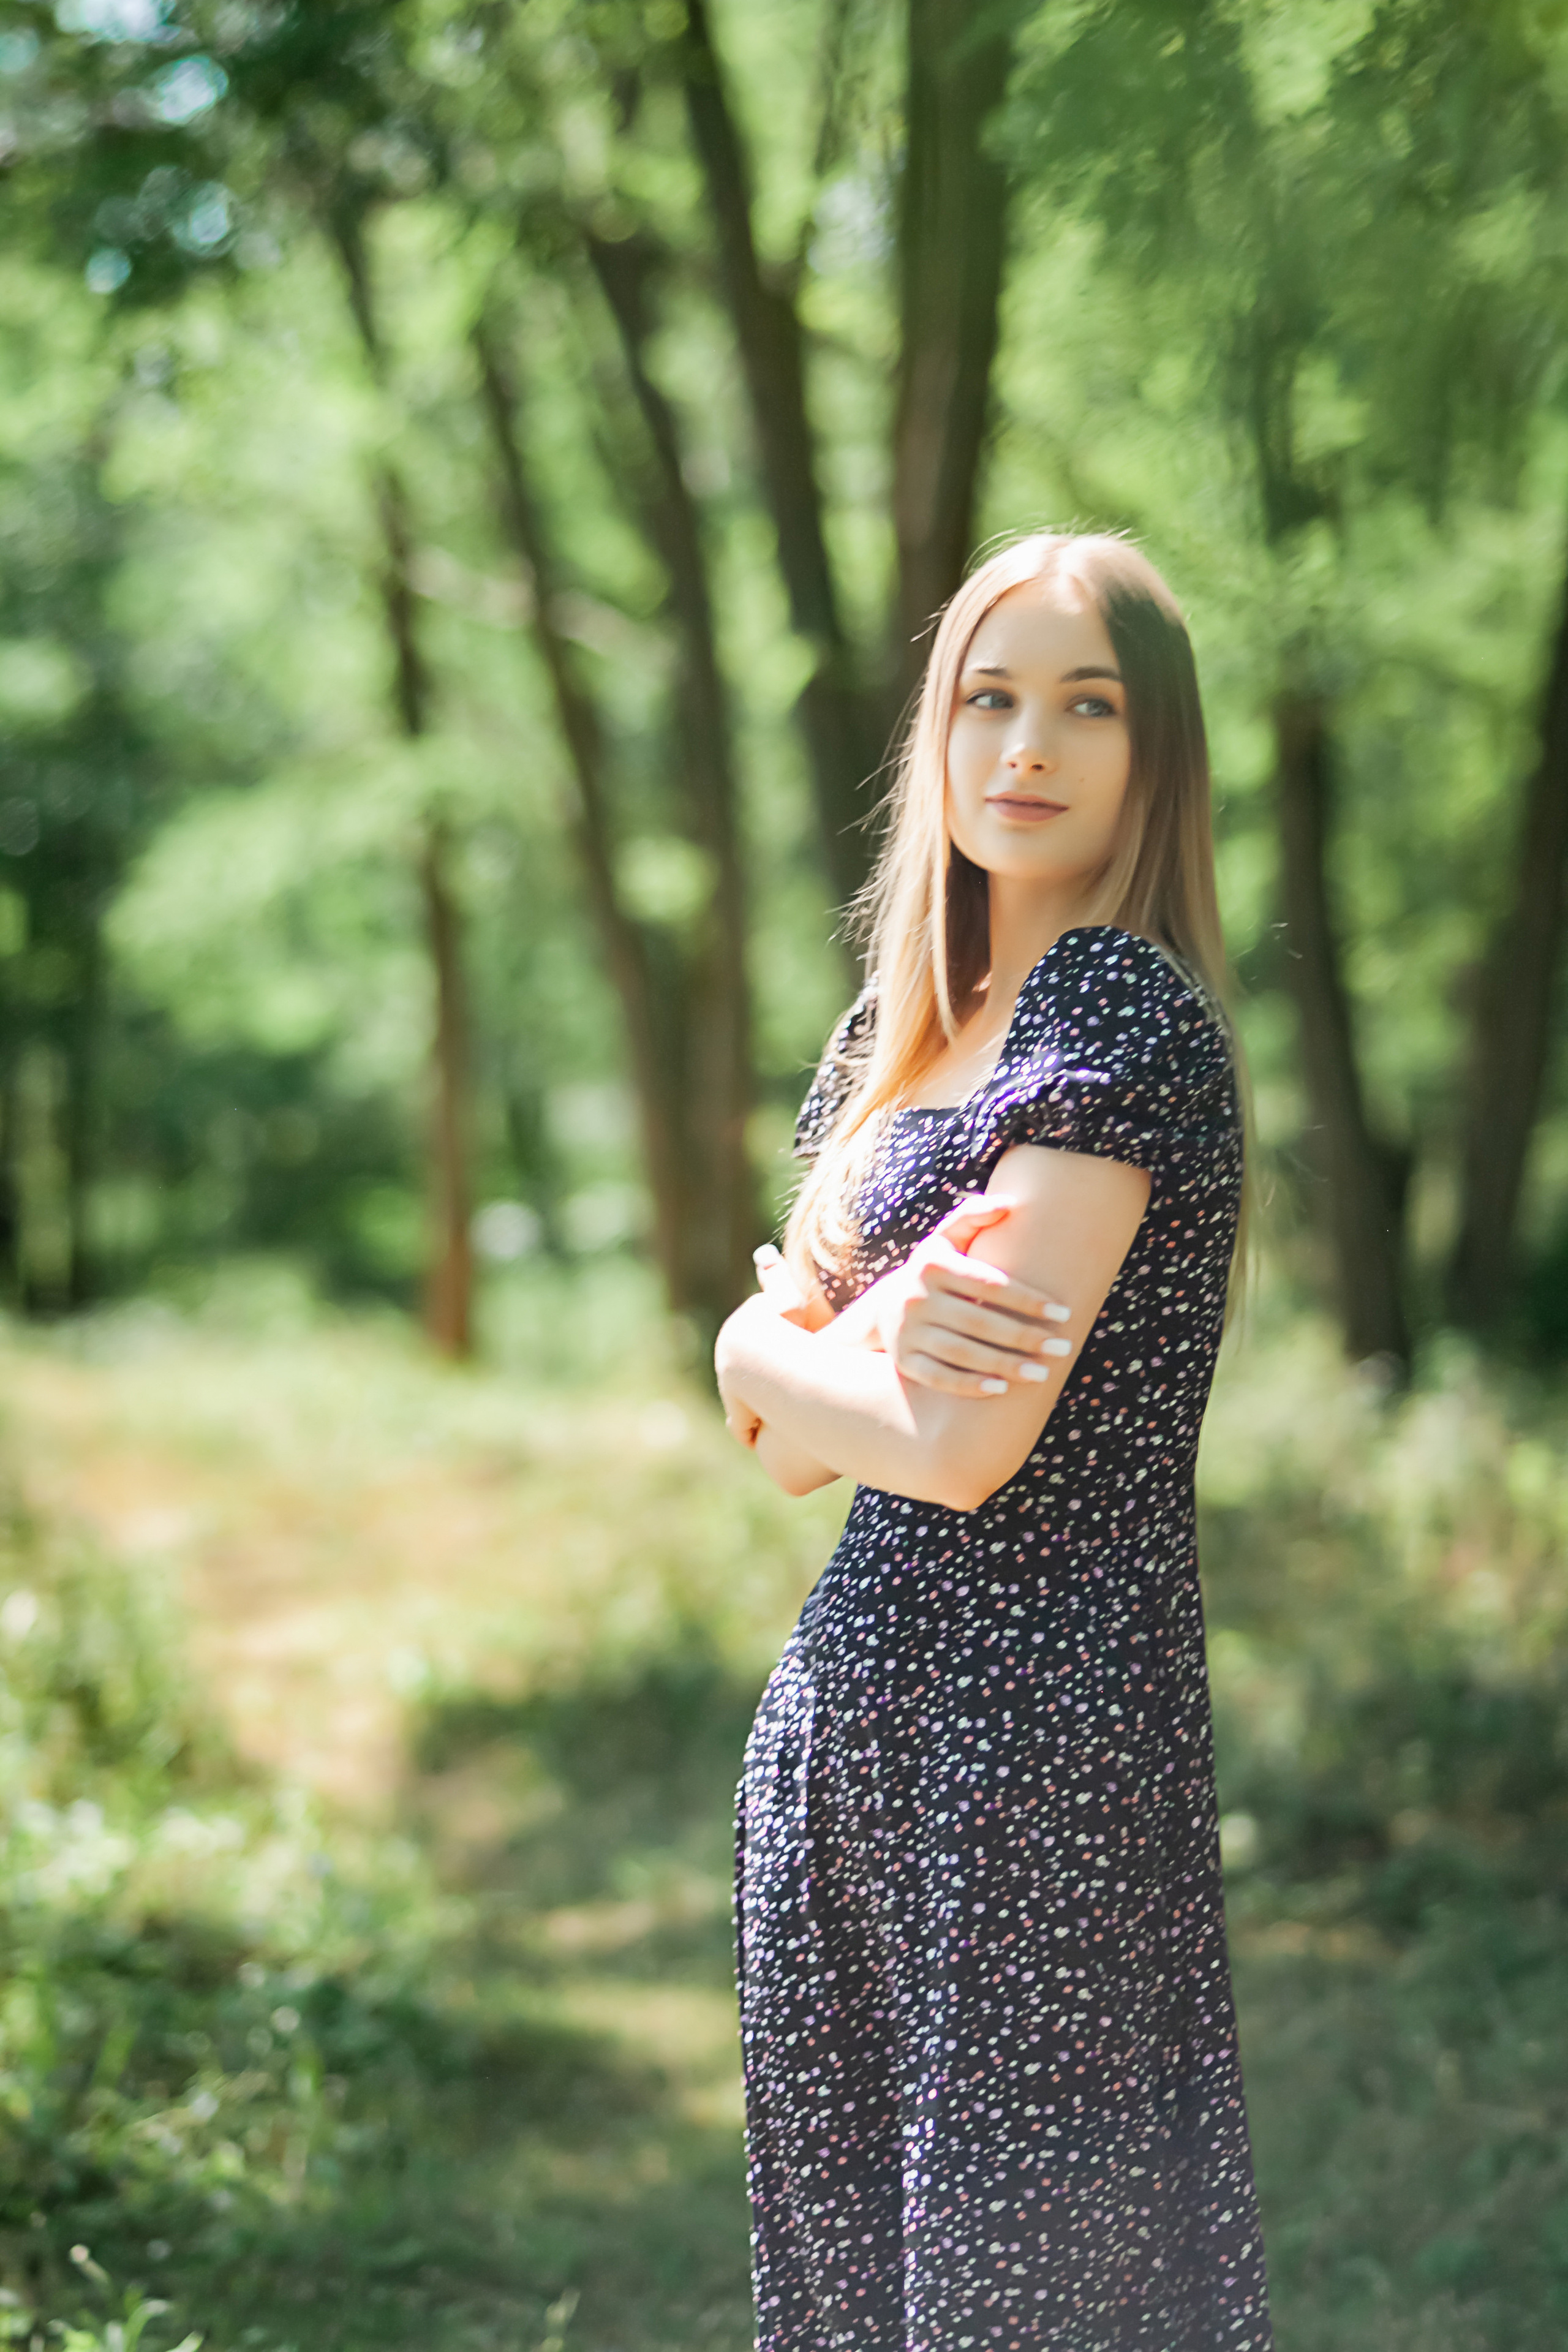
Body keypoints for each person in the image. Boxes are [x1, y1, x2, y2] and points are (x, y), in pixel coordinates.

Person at [714, 532, 1272, 2351]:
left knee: (1024, 2304)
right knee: (861, 2294)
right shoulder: (891, 1045)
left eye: (1086, 704)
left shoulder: (1116, 1017)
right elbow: (797, 1446)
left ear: (1154, 755)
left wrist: (784, 1344)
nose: (1027, 744)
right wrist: (788, 1351)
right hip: (846, 1750)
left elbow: (952, 1448)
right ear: (939, 737)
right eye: (990, 696)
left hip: (1038, 1761)